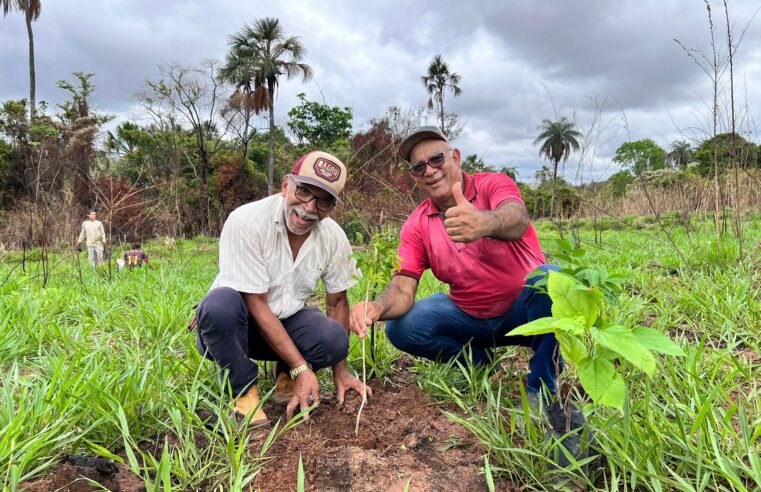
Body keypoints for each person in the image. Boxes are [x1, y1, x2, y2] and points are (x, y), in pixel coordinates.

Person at [350, 126, 562, 402]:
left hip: (522, 312)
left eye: (437, 159)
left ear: (456, 158)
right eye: (418, 167)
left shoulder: (493, 184)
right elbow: (403, 287)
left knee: (551, 281)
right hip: (469, 317)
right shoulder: (416, 225)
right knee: (402, 328)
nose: (430, 170)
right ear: (414, 176)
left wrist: (483, 222)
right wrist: (376, 307)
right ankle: (478, 363)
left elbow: (517, 219)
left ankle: (542, 386)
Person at [195, 151, 371, 425]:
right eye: (303, 192)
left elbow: (338, 303)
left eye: (323, 201)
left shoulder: (333, 237)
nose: (309, 208)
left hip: (285, 320)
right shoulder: (246, 221)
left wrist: (341, 370)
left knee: (334, 339)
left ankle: (284, 371)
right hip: (237, 328)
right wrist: (303, 368)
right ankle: (243, 390)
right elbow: (255, 303)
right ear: (286, 185)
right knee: (219, 306)